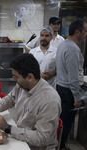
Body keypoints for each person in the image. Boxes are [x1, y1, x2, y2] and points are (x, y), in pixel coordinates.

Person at [0, 53, 61, 150]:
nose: (14, 79)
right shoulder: (22, 86)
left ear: (30, 77)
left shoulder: (49, 100)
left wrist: (8, 128)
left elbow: (41, 138)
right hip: (21, 138)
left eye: (16, 76)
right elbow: (10, 98)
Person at [56, 18, 87, 150]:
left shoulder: (64, 44)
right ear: (77, 32)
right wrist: (77, 97)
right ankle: (60, 146)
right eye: (85, 31)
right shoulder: (73, 49)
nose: (86, 33)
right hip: (68, 91)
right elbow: (73, 77)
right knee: (66, 121)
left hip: (61, 87)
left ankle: (58, 144)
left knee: (62, 120)